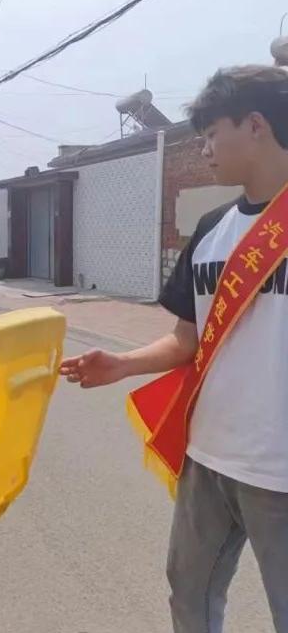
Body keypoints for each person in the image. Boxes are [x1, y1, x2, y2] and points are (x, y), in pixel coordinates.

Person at [60, 65, 288, 633]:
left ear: (255, 125)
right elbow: (188, 338)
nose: (205, 149)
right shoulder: (211, 228)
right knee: (189, 596)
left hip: (281, 470)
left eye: (212, 133)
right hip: (207, 459)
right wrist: (121, 365)